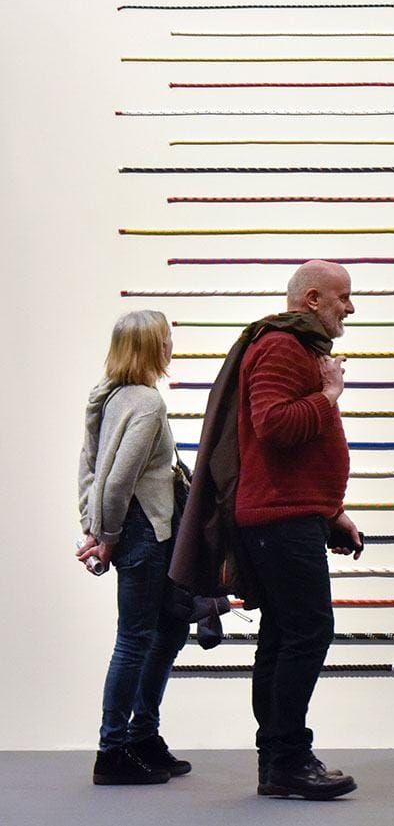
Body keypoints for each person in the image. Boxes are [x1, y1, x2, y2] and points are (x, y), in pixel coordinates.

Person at [172, 259, 361, 799]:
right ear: (312, 300)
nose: (350, 308)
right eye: (343, 297)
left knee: (284, 635)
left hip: (290, 514)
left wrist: (329, 512)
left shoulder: (296, 347)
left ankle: (279, 762)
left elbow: (291, 456)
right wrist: (328, 395)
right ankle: (288, 758)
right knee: (306, 632)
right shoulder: (282, 346)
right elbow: (275, 426)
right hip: (278, 521)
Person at [77, 310, 192, 786]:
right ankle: (113, 750)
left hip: (142, 529)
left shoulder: (107, 397)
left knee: (168, 629)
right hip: (144, 531)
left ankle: (143, 735)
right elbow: (118, 478)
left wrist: (93, 525)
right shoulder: (146, 403)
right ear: (150, 348)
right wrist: (105, 536)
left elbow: (88, 468)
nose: (171, 347)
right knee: (135, 639)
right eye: (166, 340)